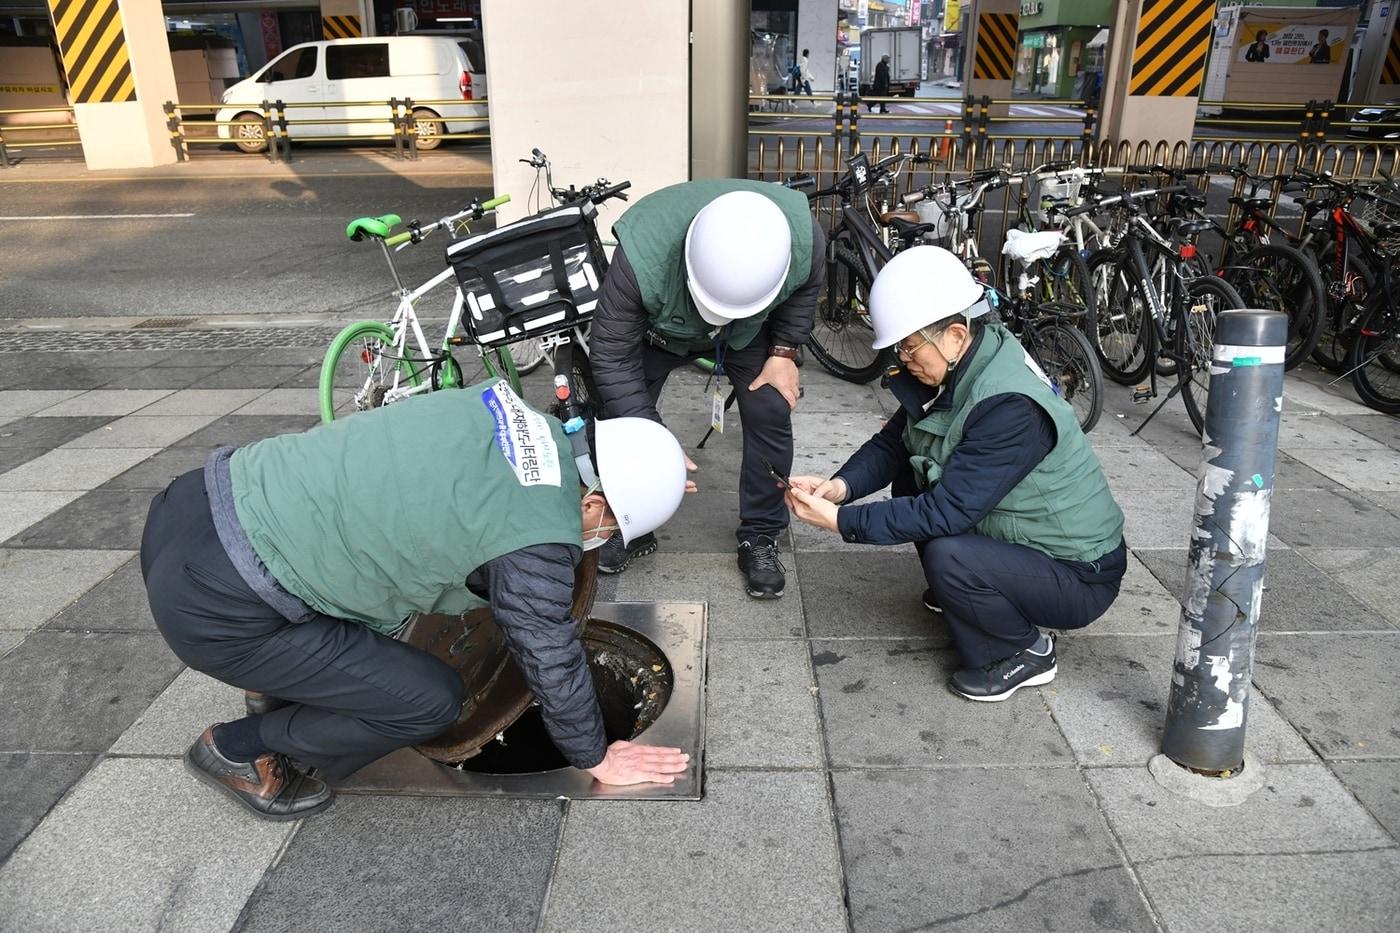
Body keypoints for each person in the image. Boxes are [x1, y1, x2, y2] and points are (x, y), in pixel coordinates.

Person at [140, 382, 692, 821]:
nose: (602, 536)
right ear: (594, 500)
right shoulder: (537, 541)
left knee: (362, 566)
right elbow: (548, 650)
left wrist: (649, 473)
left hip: (193, 502)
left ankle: (275, 680)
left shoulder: (505, 408)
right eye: (613, 524)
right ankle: (238, 748)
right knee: (428, 701)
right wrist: (596, 756)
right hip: (219, 605)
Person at [785, 246, 1127, 702]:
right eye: (898, 347)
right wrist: (840, 487)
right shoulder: (964, 366)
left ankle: (1025, 650)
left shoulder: (1009, 406)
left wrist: (839, 522)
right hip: (1031, 543)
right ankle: (975, 593)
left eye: (909, 346)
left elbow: (946, 512)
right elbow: (896, 442)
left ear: (954, 334)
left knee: (950, 554)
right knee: (913, 475)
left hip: (1079, 574)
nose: (902, 358)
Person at [590, 181, 826, 599]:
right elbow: (611, 356)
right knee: (616, 416)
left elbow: (806, 287)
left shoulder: (803, 238)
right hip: (659, 332)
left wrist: (785, 349)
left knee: (771, 407)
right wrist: (653, 439)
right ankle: (632, 524)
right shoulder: (641, 258)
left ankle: (761, 535)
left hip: (747, 331)